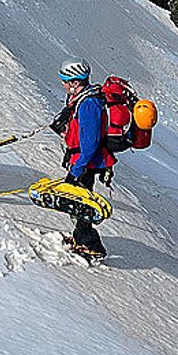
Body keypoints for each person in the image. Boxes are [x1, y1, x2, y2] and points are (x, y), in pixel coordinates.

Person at [47, 59, 117, 258]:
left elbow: (90, 144)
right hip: (83, 160)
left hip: (86, 163)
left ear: (75, 82)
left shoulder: (88, 105)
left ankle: (91, 245)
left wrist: (75, 171)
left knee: (81, 202)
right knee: (78, 201)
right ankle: (80, 237)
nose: (63, 84)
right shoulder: (85, 98)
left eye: (65, 80)